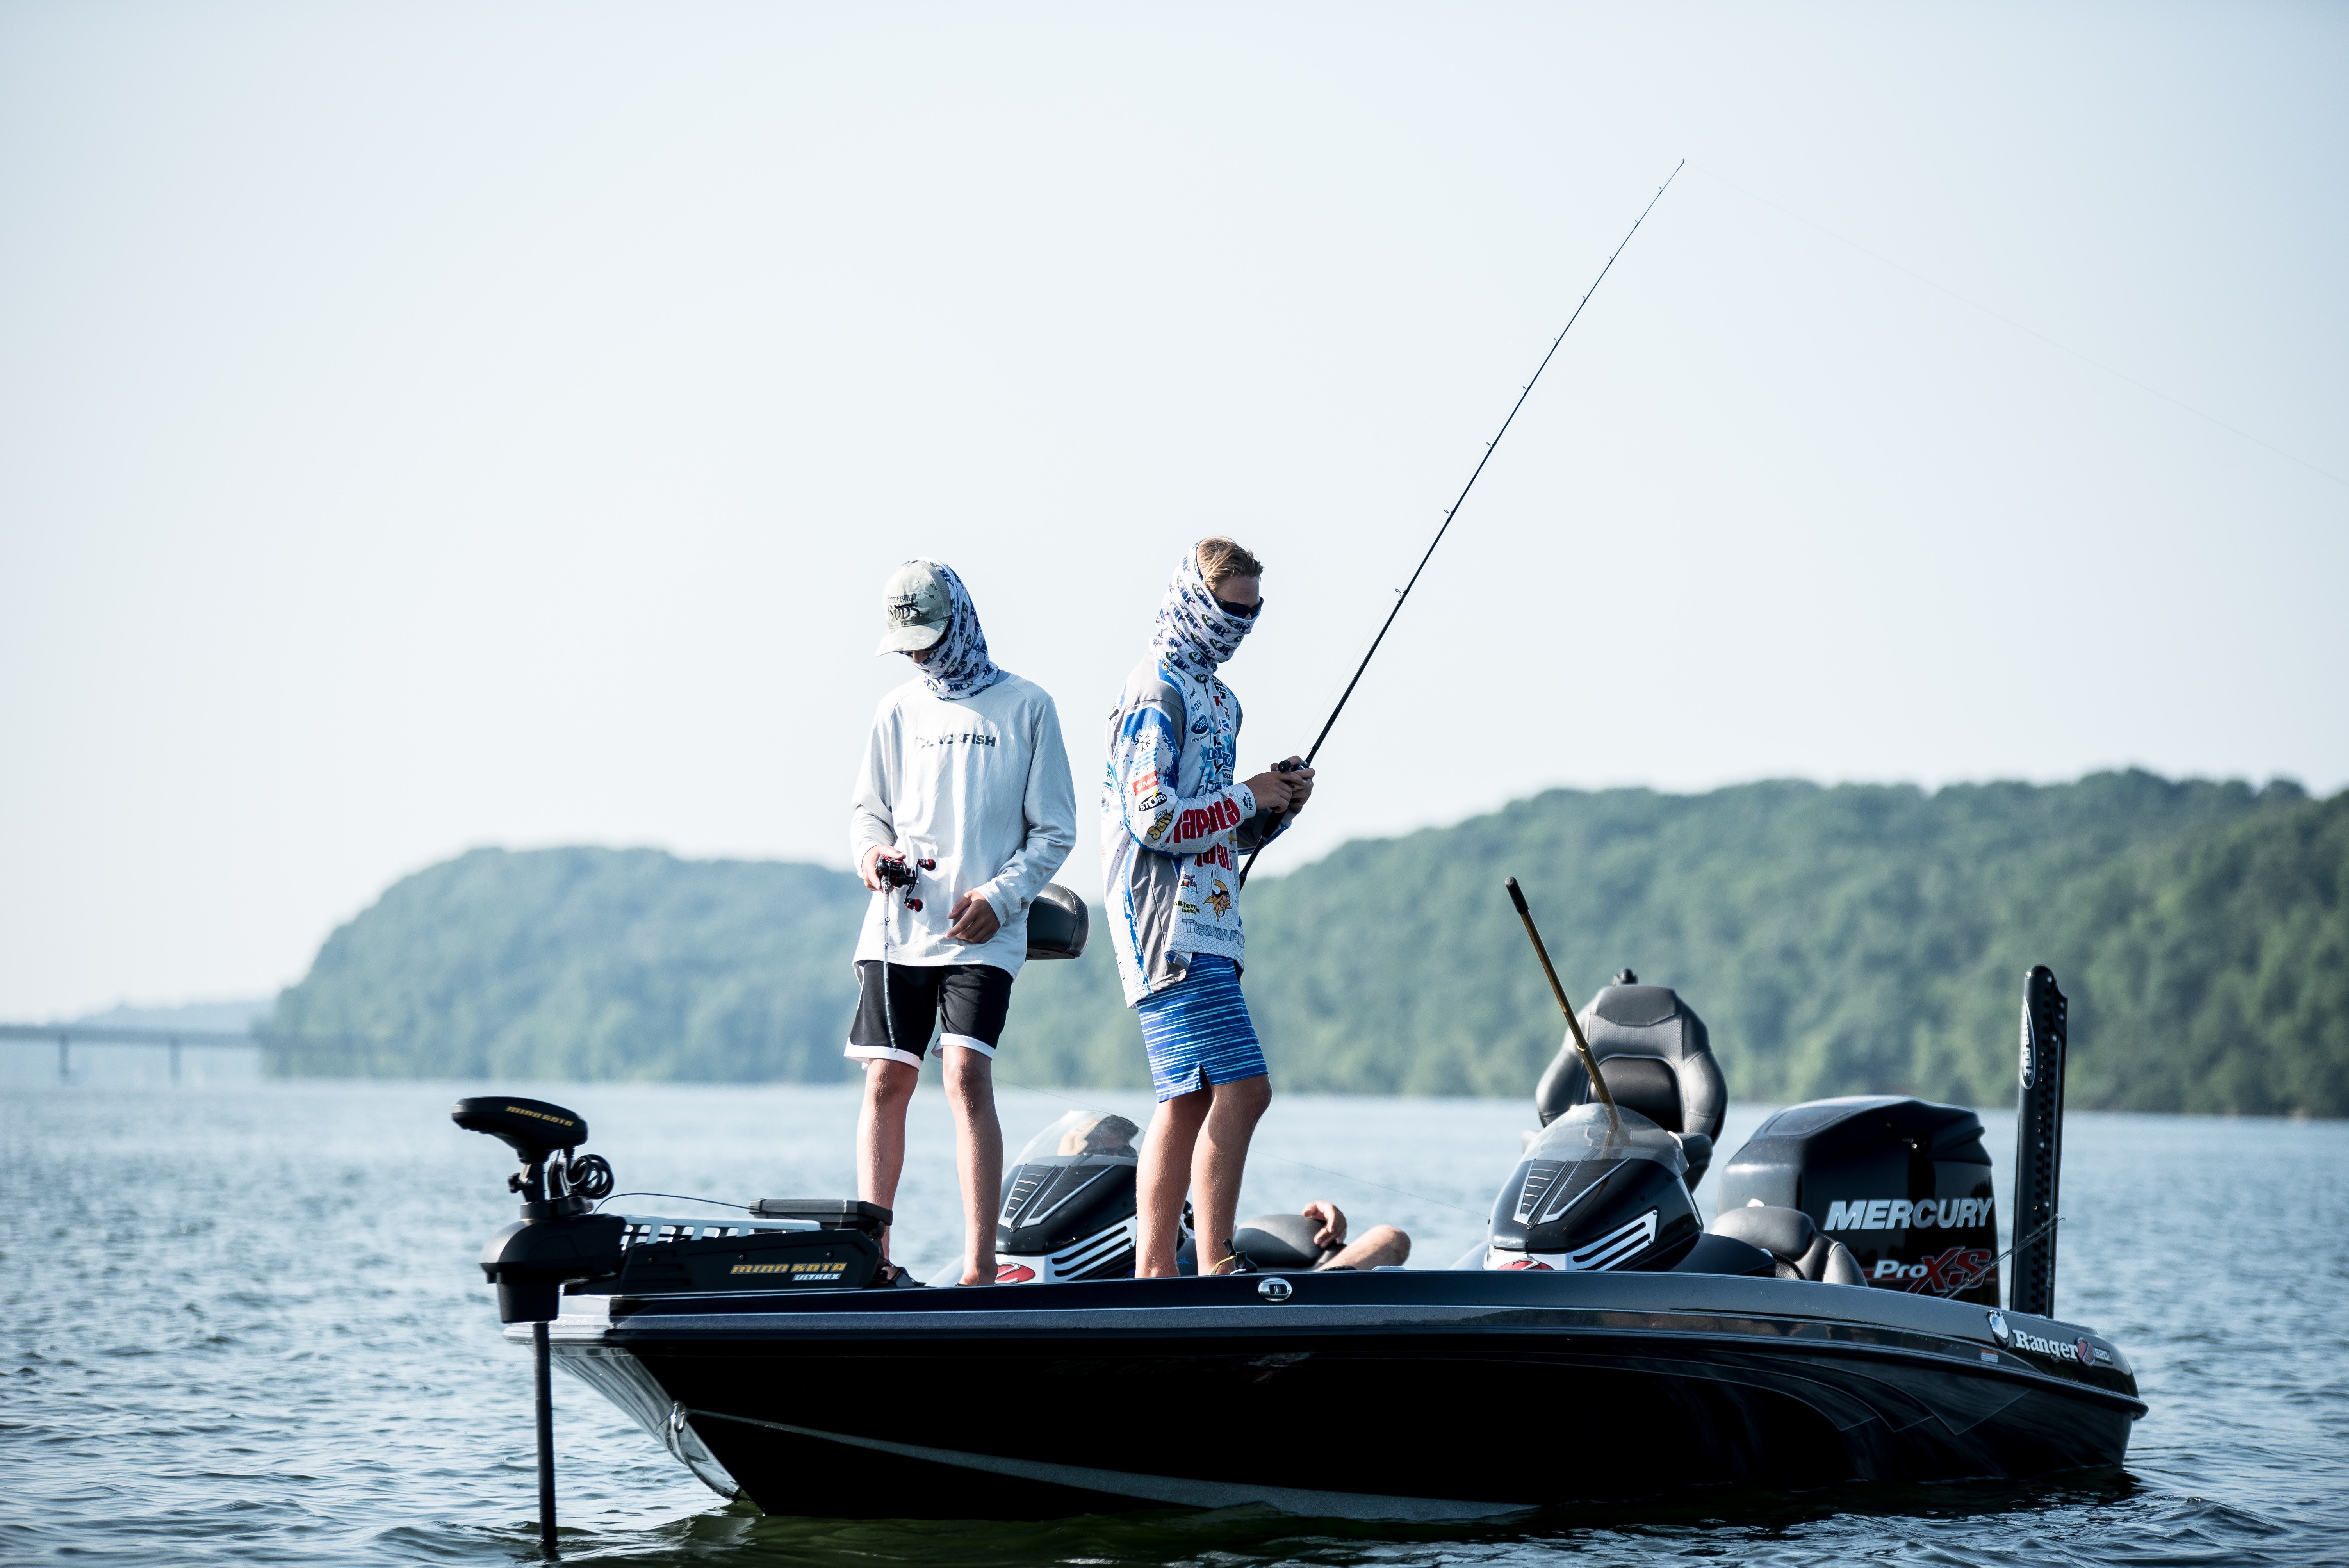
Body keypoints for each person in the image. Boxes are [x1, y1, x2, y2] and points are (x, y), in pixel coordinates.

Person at [849, 559, 1076, 1285]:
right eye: (908, 642)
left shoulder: (1028, 706)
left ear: (963, 621)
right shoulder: (896, 712)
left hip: (987, 931)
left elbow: (1055, 832)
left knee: (965, 1074)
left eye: (929, 636)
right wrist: (873, 855)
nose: (920, 653)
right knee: (886, 1081)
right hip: (896, 928)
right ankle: (871, 1257)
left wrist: (1000, 900)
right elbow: (867, 815)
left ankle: (980, 1267)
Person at [1101, 538, 1315, 1277]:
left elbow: (1220, 821)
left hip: (1215, 917)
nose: (1238, 629)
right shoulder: (1155, 689)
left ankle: (1156, 1270)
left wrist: (1274, 807)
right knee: (1245, 1089)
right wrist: (1245, 797)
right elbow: (1153, 819)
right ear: (1193, 600)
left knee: (1188, 1099)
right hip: (1164, 922)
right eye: (1228, 610)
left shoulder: (1222, 699)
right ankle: (1211, 1260)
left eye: (1252, 617)